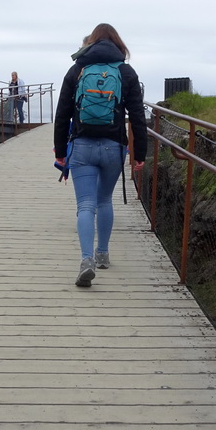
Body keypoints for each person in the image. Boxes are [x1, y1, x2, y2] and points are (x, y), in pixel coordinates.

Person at [54, 23, 147, 288]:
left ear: (91, 43)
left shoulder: (77, 70)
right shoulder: (126, 72)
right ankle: (103, 253)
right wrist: (139, 154)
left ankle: (86, 261)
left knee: (85, 205)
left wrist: (61, 153)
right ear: (118, 44)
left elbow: (62, 115)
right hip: (113, 147)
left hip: (82, 146)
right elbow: (138, 118)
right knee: (105, 200)